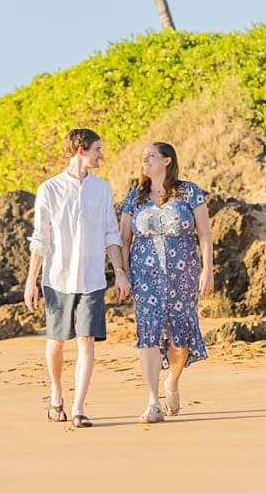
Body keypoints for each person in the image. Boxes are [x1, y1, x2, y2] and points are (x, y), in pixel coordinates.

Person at [24, 128, 131, 428]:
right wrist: (31, 281)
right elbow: (41, 239)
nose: (101, 155)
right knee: (56, 341)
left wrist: (119, 273)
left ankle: (79, 406)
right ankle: (56, 393)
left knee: (87, 340)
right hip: (57, 277)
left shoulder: (101, 189)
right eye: (97, 149)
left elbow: (111, 234)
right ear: (81, 150)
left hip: (93, 278)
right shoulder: (49, 189)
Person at [119, 142, 213, 424]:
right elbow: (124, 239)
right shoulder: (135, 196)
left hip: (183, 274)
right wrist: (122, 273)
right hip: (144, 276)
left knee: (180, 334)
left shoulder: (189, 192)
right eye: (143, 158)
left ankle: (172, 381)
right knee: (148, 332)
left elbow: (205, 234)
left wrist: (207, 270)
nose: (145, 161)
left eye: (151, 157)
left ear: (167, 161)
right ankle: (152, 401)